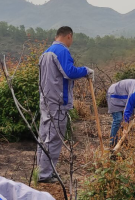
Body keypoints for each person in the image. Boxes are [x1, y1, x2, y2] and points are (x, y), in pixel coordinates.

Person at [37, 26, 94, 183]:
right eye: (72, 38)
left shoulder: (45, 53)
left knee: (44, 136)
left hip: (46, 99)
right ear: (69, 36)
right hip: (57, 102)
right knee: (53, 138)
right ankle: (44, 175)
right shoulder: (61, 51)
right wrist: (85, 71)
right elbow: (69, 72)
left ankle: (41, 171)